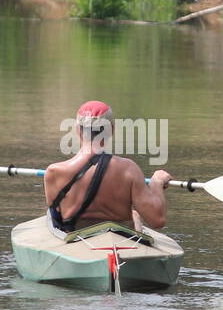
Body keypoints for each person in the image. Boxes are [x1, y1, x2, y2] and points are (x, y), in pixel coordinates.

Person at [45, 100, 171, 234]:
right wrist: (156, 184)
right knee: (134, 215)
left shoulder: (54, 172)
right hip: (120, 241)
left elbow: (56, 222)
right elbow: (157, 220)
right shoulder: (128, 169)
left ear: (78, 130)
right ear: (111, 129)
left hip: (77, 241)